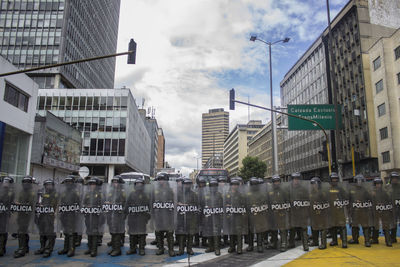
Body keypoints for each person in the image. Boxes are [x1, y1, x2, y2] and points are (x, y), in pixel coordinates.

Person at [152, 173, 176, 257]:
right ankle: (161, 248)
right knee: (159, 233)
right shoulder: (155, 190)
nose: (161, 181)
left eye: (163, 179)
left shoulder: (170, 190)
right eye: (160, 180)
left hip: (168, 215)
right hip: (159, 215)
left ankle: (171, 250)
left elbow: (174, 202)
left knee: (169, 233)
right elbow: (152, 202)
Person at [13, 176, 37, 258]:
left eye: (27, 182)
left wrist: (20, 205)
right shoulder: (22, 192)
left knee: (21, 232)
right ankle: (25, 247)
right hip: (21, 214)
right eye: (24, 182)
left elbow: (30, 205)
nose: (25, 184)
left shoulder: (31, 193)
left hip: (26, 214)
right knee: (23, 231)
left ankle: (22, 249)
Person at [126, 178, 151, 256]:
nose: (139, 186)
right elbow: (127, 205)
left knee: (142, 234)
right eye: (137, 184)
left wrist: (147, 216)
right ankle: (132, 248)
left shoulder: (146, 194)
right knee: (132, 234)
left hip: (142, 217)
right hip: (132, 217)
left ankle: (141, 249)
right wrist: (125, 213)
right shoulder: (131, 194)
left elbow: (149, 206)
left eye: (140, 184)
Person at [58, 176, 81, 257]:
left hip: (72, 215)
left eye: (70, 182)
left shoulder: (75, 192)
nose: (68, 183)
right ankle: (66, 248)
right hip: (65, 214)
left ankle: (71, 249)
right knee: (66, 232)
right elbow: (61, 203)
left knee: (71, 233)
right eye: (67, 182)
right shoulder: (64, 192)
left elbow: (78, 204)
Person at [34, 180, 58, 258]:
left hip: (49, 215)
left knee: (49, 232)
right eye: (47, 185)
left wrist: (45, 206)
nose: (48, 186)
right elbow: (38, 202)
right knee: (42, 232)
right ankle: (42, 248)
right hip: (42, 215)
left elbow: (54, 204)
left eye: (50, 185)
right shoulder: (42, 193)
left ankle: (49, 249)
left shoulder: (55, 194)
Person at [348, 174, 374, 247]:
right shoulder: (351, 190)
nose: (359, 182)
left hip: (364, 210)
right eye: (357, 181)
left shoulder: (366, 190)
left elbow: (370, 199)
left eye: (360, 181)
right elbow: (348, 200)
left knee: (365, 226)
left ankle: (367, 241)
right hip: (355, 211)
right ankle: (355, 239)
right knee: (354, 226)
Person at [224, 178, 248, 254]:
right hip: (230, 215)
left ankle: (239, 248)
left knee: (238, 232)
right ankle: (232, 246)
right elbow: (224, 205)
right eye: (233, 185)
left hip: (238, 216)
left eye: (236, 185)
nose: (234, 186)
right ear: (231, 186)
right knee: (231, 232)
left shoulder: (241, 195)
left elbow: (244, 205)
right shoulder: (227, 194)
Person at [175, 178, 199, 255]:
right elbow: (174, 203)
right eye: (186, 184)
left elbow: (197, 205)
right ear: (183, 185)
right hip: (181, 217)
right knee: (182, 234)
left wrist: (187, 205)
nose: (187, 186)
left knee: (190, 234)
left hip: (191, 217)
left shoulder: (194, 194)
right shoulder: (179, 193)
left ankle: (189, 249)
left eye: (188, 184)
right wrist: (178, 204)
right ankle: (181, 249)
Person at [104, 176, 126, 256]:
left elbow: (124, 204)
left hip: (118, 215)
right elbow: (108, 200)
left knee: (116, 232)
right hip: (111, 214)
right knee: (112, 231)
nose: (115, 184)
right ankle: (113, 247)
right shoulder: (111, 191)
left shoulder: (122, 192)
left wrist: (116, 205)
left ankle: (117, 249)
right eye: (113, 182)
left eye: (116, 182)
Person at [268, 175, 290, 252]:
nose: (276, 183)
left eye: (277, 181)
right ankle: (274, 242)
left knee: (282, 229)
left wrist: (285, 209)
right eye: (275, 182)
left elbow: (288, 201)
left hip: (282, 212)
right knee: (273, 229)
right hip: (273, 213)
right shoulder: (270, 191)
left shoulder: (284, 190)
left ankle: (284, 243)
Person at [201, 178, 223, 256]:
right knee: (209, 231)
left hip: (217, 217)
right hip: (209, 217)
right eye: (212, 186)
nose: (213, 187)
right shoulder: (206, 195)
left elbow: (222, 206)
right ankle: (211, 247)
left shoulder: (220, 195)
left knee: (216, 233)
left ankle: (217, 248)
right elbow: (203, 205)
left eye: (214, 186)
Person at [82, 177, 104, 257]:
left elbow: (102, 205)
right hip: (88, 216)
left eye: (93, 184)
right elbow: (84, 203)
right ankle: (90, 248)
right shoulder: (87, 194)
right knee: (89, 232)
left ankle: (94, 250)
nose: (92, 186)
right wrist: (86, 207)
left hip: (96, 216)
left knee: (94, 233)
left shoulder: (100, 194)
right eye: (90, 184)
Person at [288, 172, 310, 251]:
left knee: (303, 228)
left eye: (297, 179)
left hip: (302, 211)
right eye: (294, 179)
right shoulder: (289, 189)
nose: (296, 181)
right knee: (292, 228)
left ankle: (305, 245)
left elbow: (308, 199)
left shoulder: (304, 189)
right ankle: (291, 242)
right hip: (292, 211)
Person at [246, 177, 269, 253]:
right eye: (253, 184)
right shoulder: (247, 193)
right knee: (250, 231)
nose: (254, 186)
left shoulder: (261, 193)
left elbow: (264, 203)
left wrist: (259, 208)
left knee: (259, 230)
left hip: (259, 214)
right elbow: (245, 204)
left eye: (255, 184)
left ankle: (259, 245)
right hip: (250, 215)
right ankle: (250, 245)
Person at [328, 172, 349, 248]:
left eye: (336, 179)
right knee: (332, 226)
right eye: (333, 179)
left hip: (339, 210)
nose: (334, 181)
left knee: (342, 225)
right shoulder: (327, 189)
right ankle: (334, 240)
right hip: (331, 210)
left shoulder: (340, 189)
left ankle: (344, 242)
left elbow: (346, 197)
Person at [371, 177, 394, 246]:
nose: (378, 185)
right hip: (375, 210)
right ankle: (375, 239)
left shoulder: (384, 191)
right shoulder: (372, 192)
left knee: (386, 225)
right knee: (375, 225)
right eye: (377, 184)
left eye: (379, 184)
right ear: (374, 185)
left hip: (384, 210)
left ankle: (388, 241)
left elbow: (389, 199)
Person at [309, 177, 331, 250]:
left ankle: (323, 243)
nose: (314, 185)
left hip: (322, 212)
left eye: (315, 183)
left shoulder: (323, 192)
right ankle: (315, 241)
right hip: (314, 213)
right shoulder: (311, 192)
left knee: (322, 228)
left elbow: (327, 202)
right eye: (312, 184)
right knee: (314, 227)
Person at [0, 176, 15, 257]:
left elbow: (9, 202)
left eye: (7, 182)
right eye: (5, 182)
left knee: (3, 231)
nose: (6, 184)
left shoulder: (11, 192)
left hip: (5, 214)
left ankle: (1, 248)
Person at [390, 171, 400, 243]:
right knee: (393, 223)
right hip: (392, 207)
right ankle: (393, 238)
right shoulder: (387, 187)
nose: (395, 179)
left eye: (396, 178)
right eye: (393, 178)